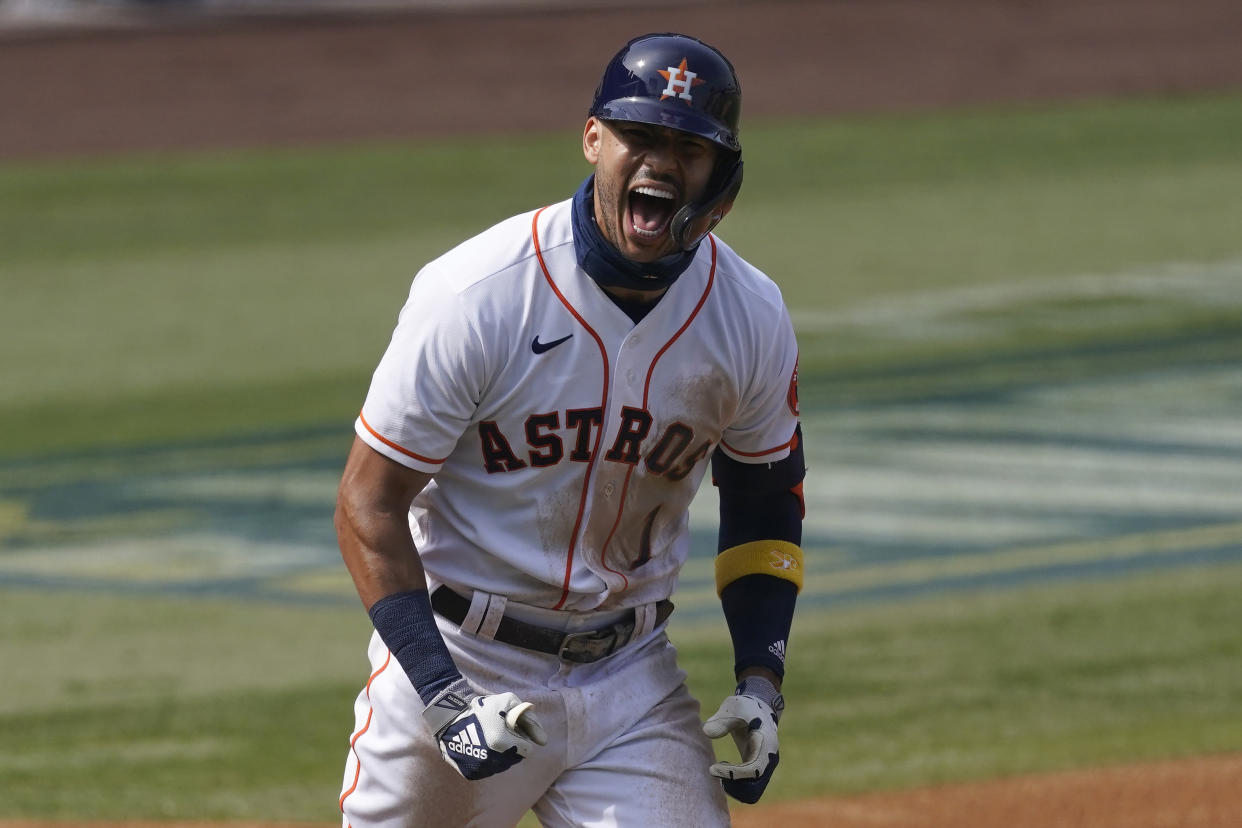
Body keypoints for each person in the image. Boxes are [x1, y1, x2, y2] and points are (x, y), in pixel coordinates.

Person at [335, 32, 805, 828]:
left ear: (723, 175)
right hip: (460, 659)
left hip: (631, 678)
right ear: (594, 139)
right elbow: (367, 505)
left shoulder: (750, 315)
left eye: (688, 146)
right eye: (640, 136)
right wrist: (444, 695)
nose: (659, 162)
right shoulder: (478, 295)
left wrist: (761, 680)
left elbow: (765, 506)